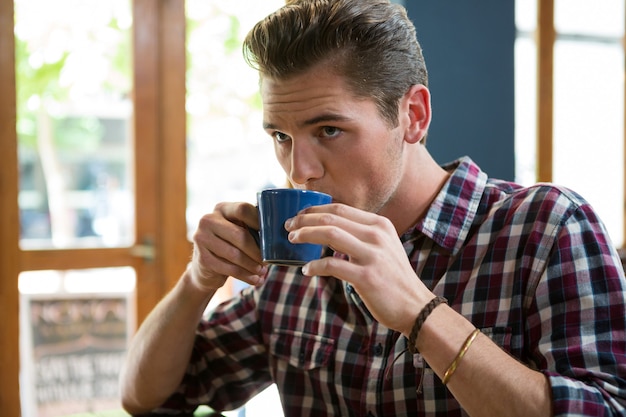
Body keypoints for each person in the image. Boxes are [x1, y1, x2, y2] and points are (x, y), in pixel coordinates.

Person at [119, 0, 626, 416]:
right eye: (281, 136)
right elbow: (149, 396)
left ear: (413, 116)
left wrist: (420, 313)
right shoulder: (294, 259)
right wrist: (197, 281)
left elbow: (603, 410)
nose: (300, 171)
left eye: (329, 131)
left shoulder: (546, 227)